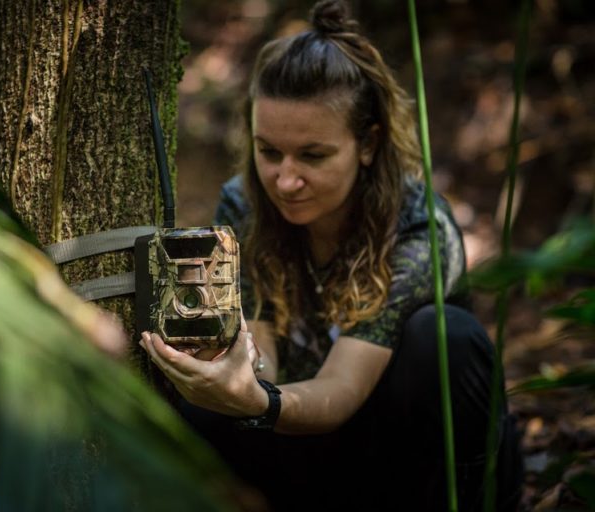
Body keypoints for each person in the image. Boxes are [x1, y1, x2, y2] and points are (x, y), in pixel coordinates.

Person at [139, 1, 523, 510]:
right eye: (268, 151)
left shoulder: (418, 227)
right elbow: (264, 343)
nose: (286, 180)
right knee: (202, 408)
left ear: (367, 144)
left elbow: (341, 390)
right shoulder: (244, 202)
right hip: (313, 453)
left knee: (445, 336)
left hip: (414, 465)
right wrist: (242, 373)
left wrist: (259, 401)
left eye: (313, 156)